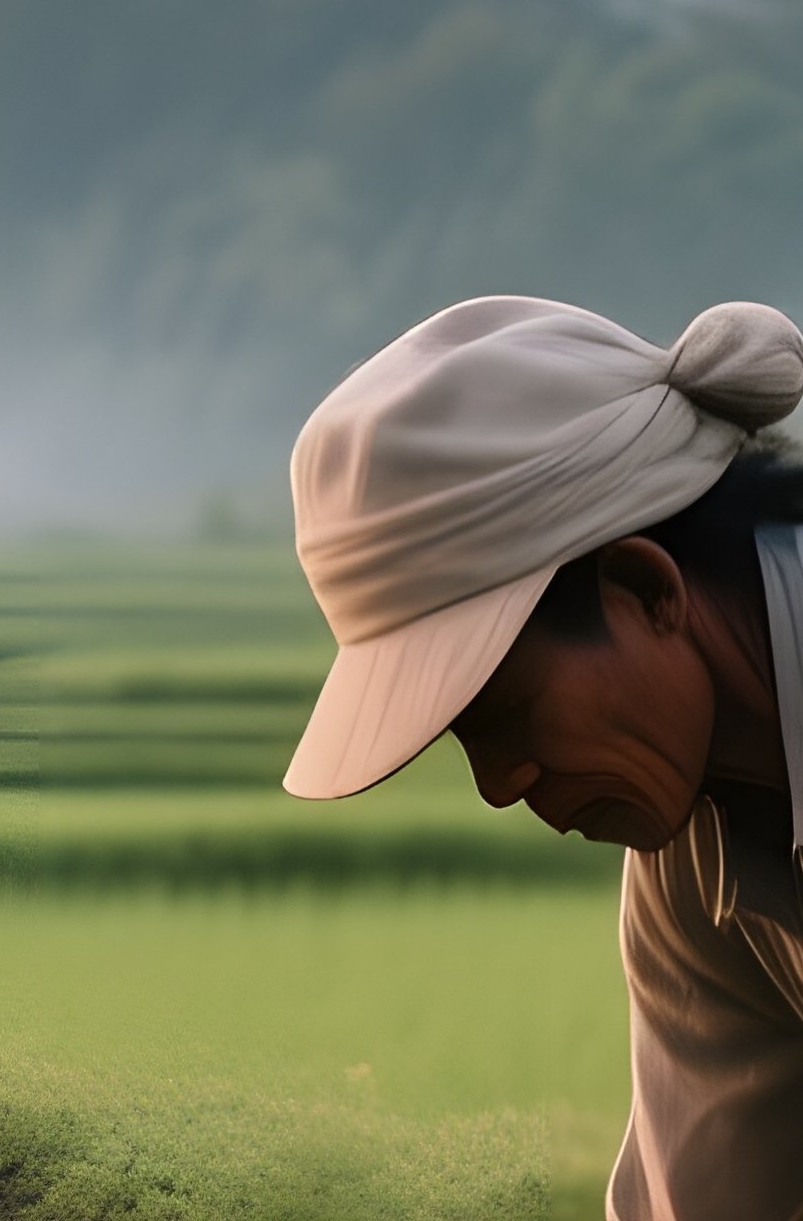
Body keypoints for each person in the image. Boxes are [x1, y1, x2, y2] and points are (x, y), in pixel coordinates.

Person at [282, 294, 803, 1221]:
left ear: (645, 587)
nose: (499, 785)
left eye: (510, 713)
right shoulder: (696, 878)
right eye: (461, 740)